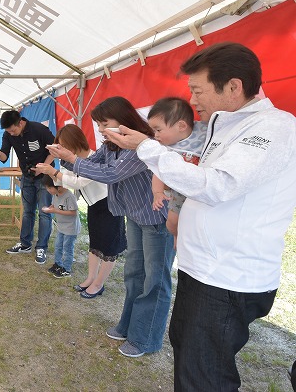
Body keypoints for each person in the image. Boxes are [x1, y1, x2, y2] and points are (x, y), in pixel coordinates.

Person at [107, 42, 296, 390]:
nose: (192, 101)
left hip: (228, 275)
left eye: (197, 90)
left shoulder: (273, 128)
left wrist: (147, 147)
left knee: (204, 376)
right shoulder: (226, 127)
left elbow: (216, 186)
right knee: (191, 356)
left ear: (234, 87)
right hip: (205, 270)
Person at [47, 96, 174, 357]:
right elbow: (93, 166)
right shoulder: (112, 145)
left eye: (105, 124)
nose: (102, 130)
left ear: (124, 119)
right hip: (136, 216)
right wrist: (66, 159)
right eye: (99, 125)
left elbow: (110, 174)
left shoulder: (143, 146)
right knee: (134, 276)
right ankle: (129, 327)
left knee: (155, 283)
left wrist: (71, 158)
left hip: (155, 219)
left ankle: (145, 339)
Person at [35, 124, 126, 297]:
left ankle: (99, 284)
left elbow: (78, 182)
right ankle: (90, 279)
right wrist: (56, 170)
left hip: (109, 205)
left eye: (63, 145)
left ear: (74, 142)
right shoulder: (74, 163)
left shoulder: (94, 158)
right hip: (94, 205)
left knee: (109, 249)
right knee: (95, 246)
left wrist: (53, 171)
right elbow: (68, 180)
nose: (62, 149)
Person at [0, 110, 55, 264]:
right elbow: (4, 156)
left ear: (21, 123)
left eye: (13, 130)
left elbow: (54, 149)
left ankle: (41, 247)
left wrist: (44, 166)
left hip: (44, 177)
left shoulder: (39, 129)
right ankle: (25, 243)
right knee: (28, 211)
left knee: (45, 212)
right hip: (26, 176)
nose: (11, 134)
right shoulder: (8, 135)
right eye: (8, 131)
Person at [146, 97, 206, 243]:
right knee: (172, 222)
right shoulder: (165, 148)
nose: (155, 135)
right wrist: (158, 193)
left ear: (181, 126)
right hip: (179, 193)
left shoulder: (205, 131)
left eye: (158, 129)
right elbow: (158, 171)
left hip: (204, 190)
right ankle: (176, 237)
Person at [40, 174, 79, 278]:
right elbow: (54, 205)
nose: (48, 190)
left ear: (58, 185)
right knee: (58, 246)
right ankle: (58, 264)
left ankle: (66, 269)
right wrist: (49, 208)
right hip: (61, 227)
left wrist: (55, 211)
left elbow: (73, 212)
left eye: (49, 187)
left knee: (67, 248)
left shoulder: (69, 196)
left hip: (70, 228)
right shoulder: (55, 195)